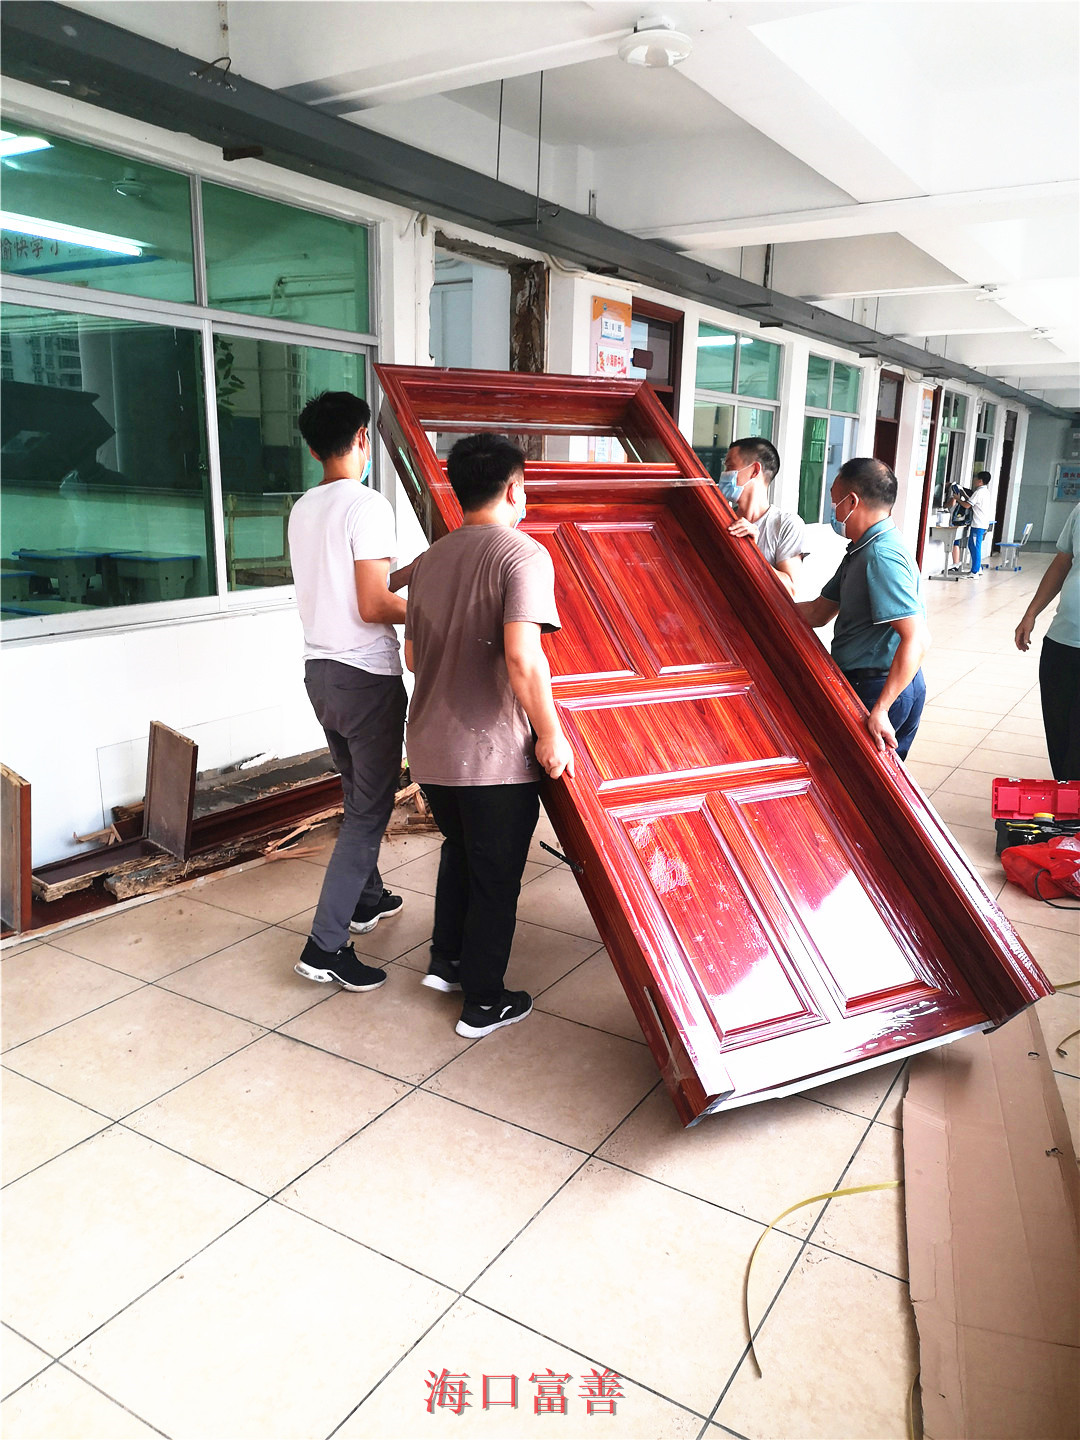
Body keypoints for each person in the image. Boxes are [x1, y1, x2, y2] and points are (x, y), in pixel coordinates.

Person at [404, 432, 574, 1039]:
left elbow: (413, 658)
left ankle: (446, 962)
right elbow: (524, 659)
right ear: (514, 488)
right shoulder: (522, 556)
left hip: (430, 745)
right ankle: (483, 1002)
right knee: (496, 876)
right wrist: (550, 733)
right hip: (491, 753)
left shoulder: (430, 559)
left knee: (461, 850)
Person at [287, 390, 411, 993]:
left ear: (314, 449)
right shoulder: (367, 505)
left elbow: (357, 584)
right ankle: (325, 945)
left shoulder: (303, 508)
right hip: (365, 677)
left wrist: (417, 573)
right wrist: (438, 607)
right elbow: (373, 605)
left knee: (354, 790)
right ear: (363, 437)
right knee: (369, 810)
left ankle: (366, 898)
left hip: (321, 674)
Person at [795, 457, 930, 759]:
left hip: (879, 688)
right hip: (883, 682)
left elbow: (918, 639)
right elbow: (818, 612)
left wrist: (881, 708)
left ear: (852, 501)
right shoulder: (862, 549)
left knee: (857, 779)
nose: (833, 510)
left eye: (835, 501)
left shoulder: (880, 555)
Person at [1015, 502, 1080, 781]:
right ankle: (1065, 796)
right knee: (1059, 734)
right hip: (1061, 641)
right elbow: (1062, 562)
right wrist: (1031, 613)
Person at [717, 437, 807, 596]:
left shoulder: (786, 524)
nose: (724, 474)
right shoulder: (723, 520)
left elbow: (790, 590)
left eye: (730, 467)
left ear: (754, 470)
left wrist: (752, 552)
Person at [966, 470, 994, 576]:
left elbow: (967, 505)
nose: (974, 480)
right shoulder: (985, 491)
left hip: (978, 524)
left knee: (975, 547)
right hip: (982, 523)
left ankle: (975, 572)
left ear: (980, 481)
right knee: (972, 545)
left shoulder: (978, 492)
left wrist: (958, 499)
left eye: (976, 478)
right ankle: (978, 568)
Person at [947, 482, 973, 573]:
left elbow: (951, 504)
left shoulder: (960, 497)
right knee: (956, 543)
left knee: (955, 542)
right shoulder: (964, 494)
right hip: (963, 522)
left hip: (958, 522)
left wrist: (955, 499)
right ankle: (957, 563)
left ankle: (956, 564)